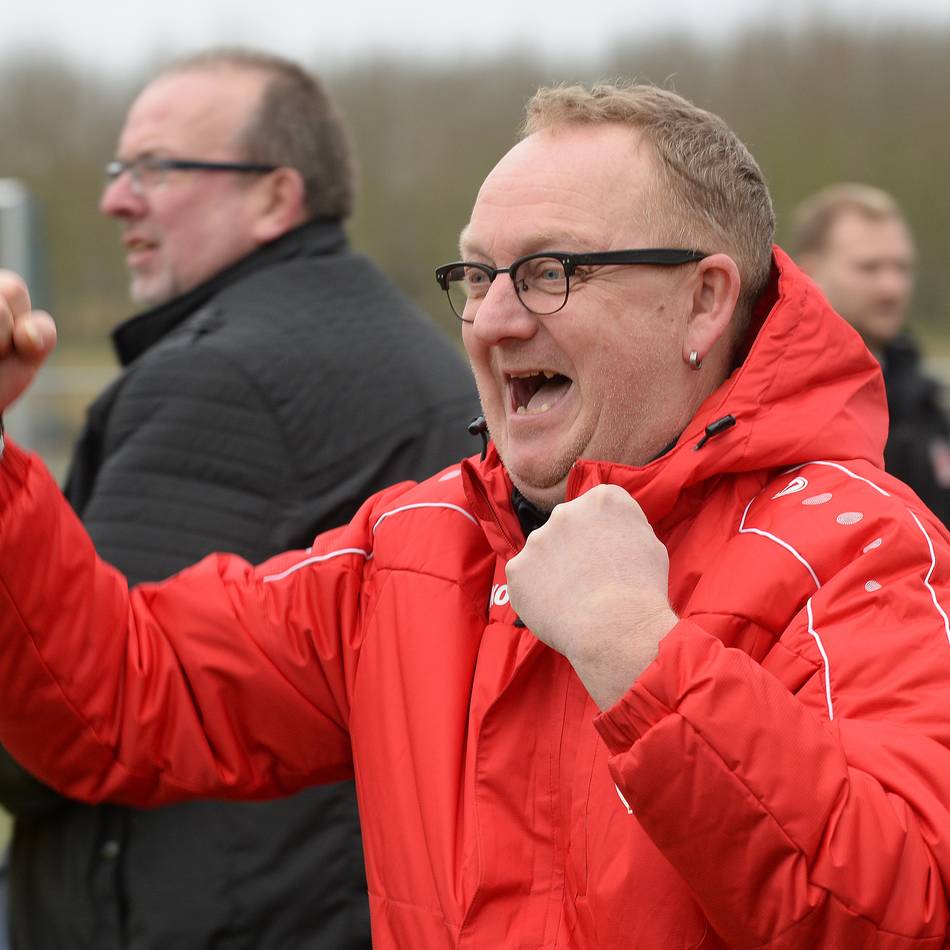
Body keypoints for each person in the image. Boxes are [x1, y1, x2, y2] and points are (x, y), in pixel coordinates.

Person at [0, 80, 949, 949]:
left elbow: (902, 911)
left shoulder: (857, 549)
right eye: (476, 276)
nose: (494, 321)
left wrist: (645, 657)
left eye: (547, 273)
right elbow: (119, 701)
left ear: (704, 302)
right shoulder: (412, 550)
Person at [0, 48, 479, 950]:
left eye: (156, 168)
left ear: (274, 196)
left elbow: (62, 718)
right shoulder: (404, 344)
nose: (115, 199)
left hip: (204, 913)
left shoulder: (218, 380)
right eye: (115, 170)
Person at [792, 183, 950, 526]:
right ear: (808, 273)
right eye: (870, 268)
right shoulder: (778, 402)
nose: (891, 288)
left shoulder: (925, 405)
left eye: (901, 268)